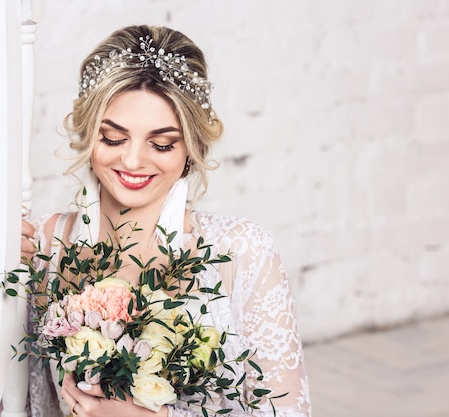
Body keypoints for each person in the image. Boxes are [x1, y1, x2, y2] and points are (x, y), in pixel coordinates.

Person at [22, 24, 311, 417]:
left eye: (162, 144)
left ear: (190, 147)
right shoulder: (39, 243)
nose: (133, 161)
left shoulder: (242, 252)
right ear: (88, 135)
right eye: (112, 138)